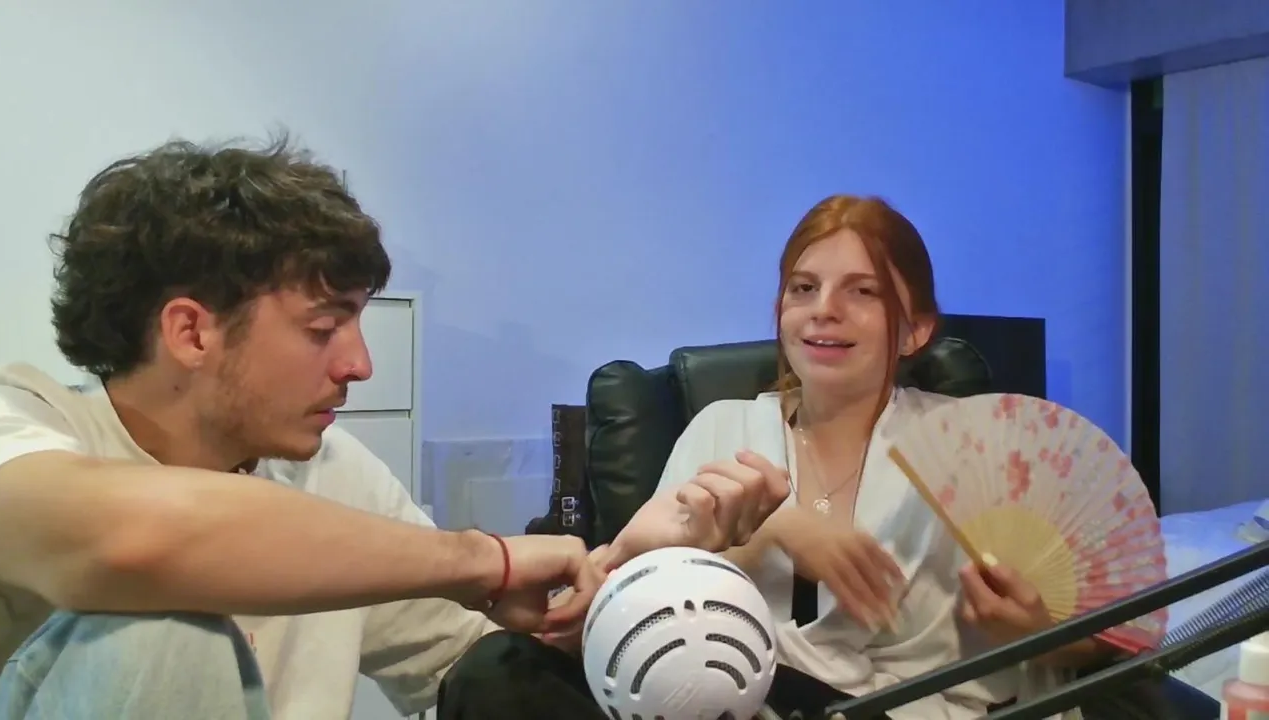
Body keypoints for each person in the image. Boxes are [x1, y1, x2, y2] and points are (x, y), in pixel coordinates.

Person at [0, 136, 789, 719]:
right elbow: (140, 545)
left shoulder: (331, 472)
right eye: (322, 328)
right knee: (163, 630)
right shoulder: (21, 426)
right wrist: (482, 558)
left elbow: (475, 664)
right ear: (192, 332)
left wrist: (634, 577)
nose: (360, 364)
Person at [438, 196, 1115, 719]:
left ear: (915, 328)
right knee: (497, 671)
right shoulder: (722, 429)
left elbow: (1112, 640)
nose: (824, 311)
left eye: (863, 291)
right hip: (730, 700)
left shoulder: (982, 447)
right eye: (803, 288)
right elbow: (634, 615)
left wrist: (1042, 631)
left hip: (909, 709)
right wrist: (769, 533)